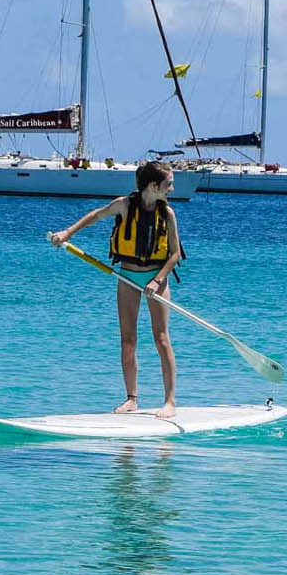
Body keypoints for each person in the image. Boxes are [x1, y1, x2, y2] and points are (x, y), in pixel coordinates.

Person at [48, 161, 183, 414]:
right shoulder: (124, 205)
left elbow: (175, 254)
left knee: (162, 339)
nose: (172, 189)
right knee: (128, 340)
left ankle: (170, 402)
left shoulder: (168, 214)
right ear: (153, 186)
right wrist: (68, 233)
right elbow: (95, 216)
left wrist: (157, 280)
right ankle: (132, 399)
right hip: (128, 277)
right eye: (168, 184)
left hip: (157, 277)